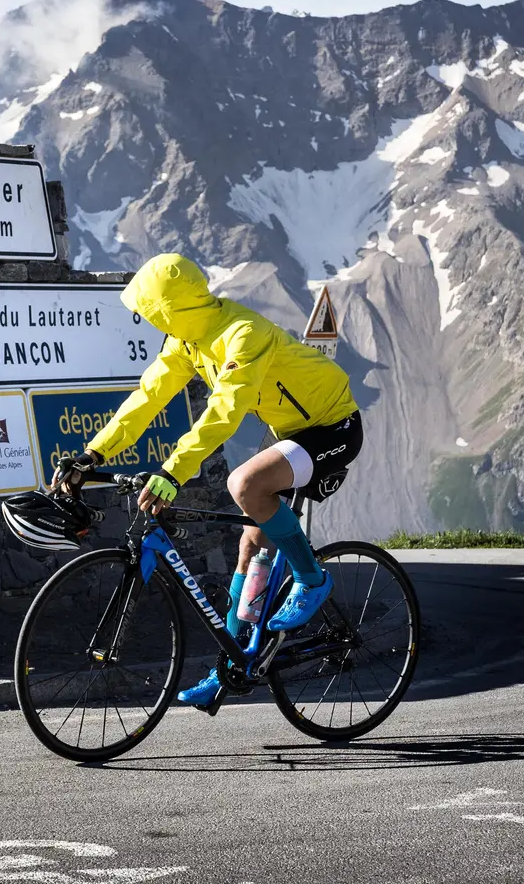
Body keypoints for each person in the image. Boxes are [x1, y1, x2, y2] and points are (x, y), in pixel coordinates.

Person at [52, 253, 363, 712]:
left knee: (244, 485)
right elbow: (146, 398)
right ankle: (230, 669)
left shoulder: (244, 334)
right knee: (251, 548)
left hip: (333, 427)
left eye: (153, 312)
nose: (150, 322)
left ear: (171, 308)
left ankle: (311, 578)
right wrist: (92, 453)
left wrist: (172, 472)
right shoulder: (187, 341)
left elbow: (224, 411)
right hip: (289, 433)